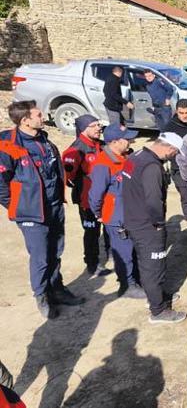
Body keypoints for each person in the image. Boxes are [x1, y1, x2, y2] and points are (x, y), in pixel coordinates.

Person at [0, 101, 84, 319]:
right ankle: (42, 296)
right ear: (25, 120)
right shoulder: (8, 145)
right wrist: (17, 206)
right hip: (31, 212)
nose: (43, 115)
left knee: (56, 250)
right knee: (40, 257)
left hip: (54, 205)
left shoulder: (43, 139)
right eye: (38, 114)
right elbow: (1, 183)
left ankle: (57, 289)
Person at [122, 132, 187, 324]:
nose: (174, 156)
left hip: (133, 219)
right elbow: (153, 201)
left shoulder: (136, 156)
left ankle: (156, 295)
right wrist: (158, 223)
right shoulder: (152, 167)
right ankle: (158, 310)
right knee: (154, 266)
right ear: (168, 147)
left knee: (146, 263)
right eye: (174, 152)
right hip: (148, 225)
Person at [88, 123, 145, 299]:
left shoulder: (125, 157)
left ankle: (135, 279)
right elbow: (95, 194)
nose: (130, 141)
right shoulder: (103, 164)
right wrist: (99, 214)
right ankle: (127, 285)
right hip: (116, 216)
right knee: (124, 251)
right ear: (114, 142)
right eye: (126, 139)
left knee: (133, 249)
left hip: (130, 213)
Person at [62, 115, 111, 277]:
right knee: (92, 232)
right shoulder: (75, 150)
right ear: (83, 129)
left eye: (99, 125)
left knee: (111, 227)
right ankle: (92, 263)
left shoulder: (100, 145)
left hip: (107, 197)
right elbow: (66, 176)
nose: (99, 128)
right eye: (94, 125)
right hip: (87, 200)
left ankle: (114, 255)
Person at [163, 99, 187, 222]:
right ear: (177, 112)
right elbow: (164, 148)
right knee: (186, 195)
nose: (185, 116)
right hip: (178, 168)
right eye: (181, 113)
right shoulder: (170, 127)